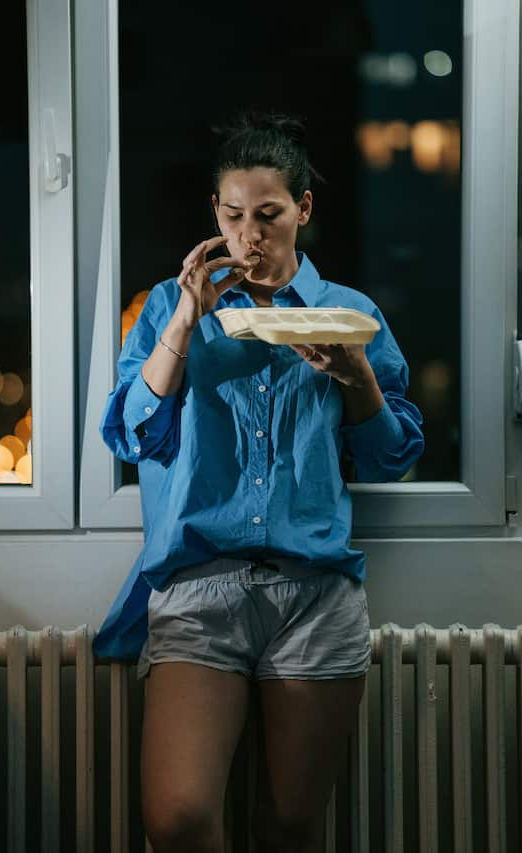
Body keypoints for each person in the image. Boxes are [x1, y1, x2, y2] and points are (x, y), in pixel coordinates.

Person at [95, 112, 425, 853]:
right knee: (177, 817)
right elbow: (130, 434)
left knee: (290, 826)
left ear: (302, 211)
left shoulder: (350, 315)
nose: (250, 236)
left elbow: (392, 456)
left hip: (315, 590)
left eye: (269, 215)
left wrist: (357, 376)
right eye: (234, 215)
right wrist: (184, 322)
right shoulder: (168, 309)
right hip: (199, 586)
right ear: (215, 213)